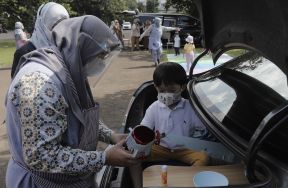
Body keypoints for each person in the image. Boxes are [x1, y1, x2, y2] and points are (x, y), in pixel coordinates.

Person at [5, 15, 138, 188]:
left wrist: (111, 136)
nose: (101, 61)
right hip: (41, 182)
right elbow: (42, 155)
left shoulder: (67, 69)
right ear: (82, 47)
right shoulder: (41, 84)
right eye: (100, 55)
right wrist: (104, 157)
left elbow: (77, 118)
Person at [130, 62, 209, 187]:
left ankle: (187, 182)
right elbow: (144, 129)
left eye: (172, 90)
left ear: (182, 87)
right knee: (131, 157)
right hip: (160, 148)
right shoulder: (154, 108)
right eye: (161, 90)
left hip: (185, 150)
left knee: (203, 159)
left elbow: (203, 129)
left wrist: (196, 138)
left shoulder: (191, 108)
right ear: (155, 87)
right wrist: (146, 140)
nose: (166, 94)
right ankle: (138, 185)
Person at [11, 2, 70, 78]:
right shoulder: (23, 53)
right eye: (54, 24)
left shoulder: (69, 51)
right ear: (41, 24)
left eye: (63, 23)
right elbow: (16, 83)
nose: (58, 28)